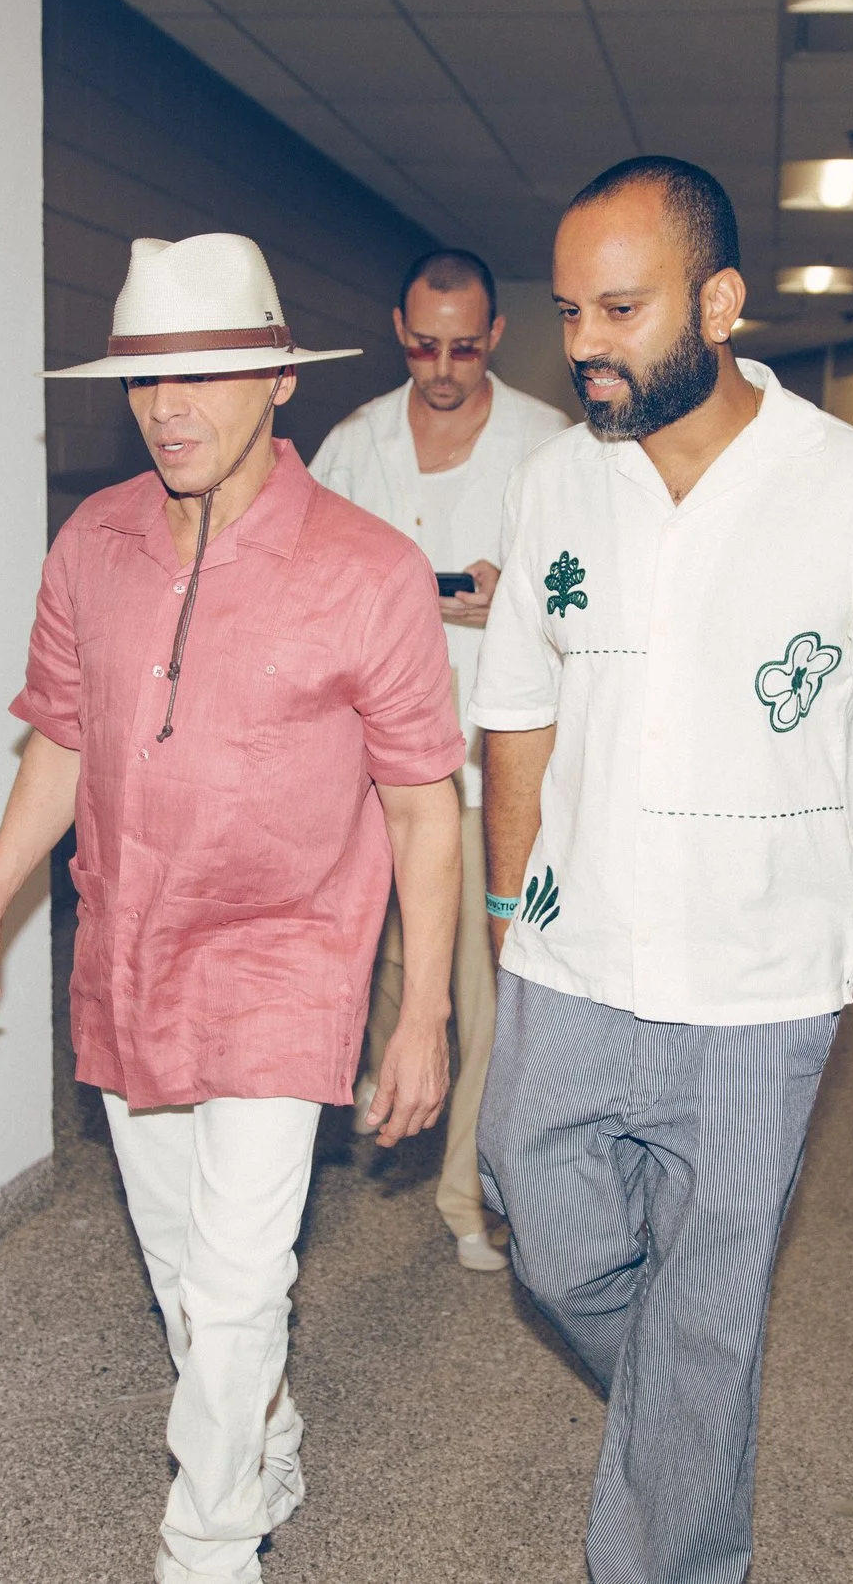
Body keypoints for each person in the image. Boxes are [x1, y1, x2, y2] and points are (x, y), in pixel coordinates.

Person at [0, 233, 466, 1584]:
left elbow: (419, 803)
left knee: (236, 1280)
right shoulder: (92, 542)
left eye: (209, 374)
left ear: (279, 378)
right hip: (131, 945)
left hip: (293, 956)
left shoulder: (371, 569)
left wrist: (425, 1011)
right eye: (145, 380)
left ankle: (208, 1545)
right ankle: (264, 1422)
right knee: (185, 1269)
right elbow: (62, 737)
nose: (173, 407)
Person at [471, 156, 853, 1584]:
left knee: (711, 1304)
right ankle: (688, 1413)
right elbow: (517, 716)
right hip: (573, 961)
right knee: (550, 1241)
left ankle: (681, 1556)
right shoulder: (553, 485)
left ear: (723, 301)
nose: (582, 344)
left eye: (619, 308)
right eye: (569, 310)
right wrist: (510, 920)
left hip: (765, 993)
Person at [309, 247, 569, 1272]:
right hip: (359, 763)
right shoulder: (354, 444)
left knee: (481, 977)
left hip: (480, 769)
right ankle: (387, 1095)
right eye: (425, 344)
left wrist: (517, 593)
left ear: (496, 336)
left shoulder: (547, 449)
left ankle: (468, 1189)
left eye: (465, 346)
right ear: (398, 330)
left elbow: (593, 608)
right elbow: (303, 579)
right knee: (378, 961)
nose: (444, 366)